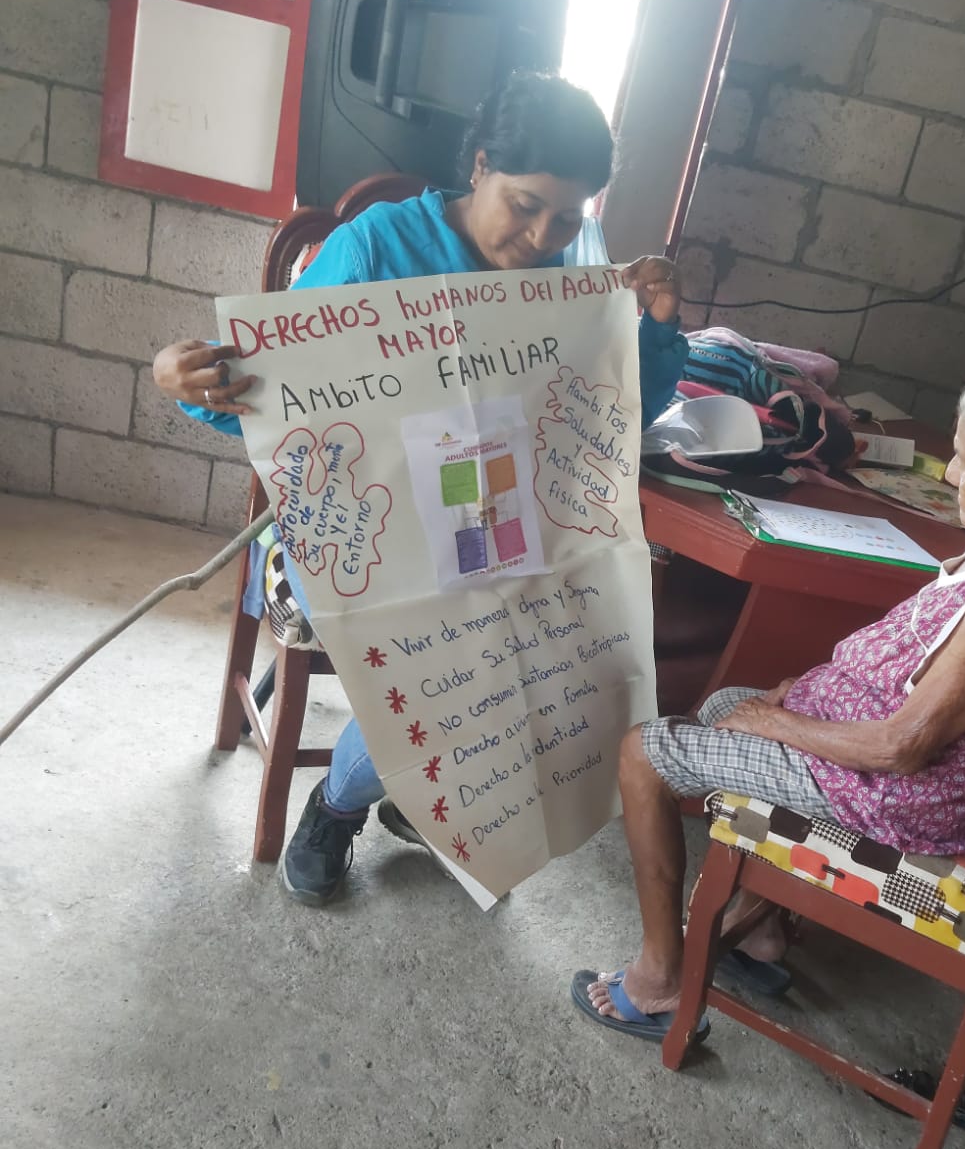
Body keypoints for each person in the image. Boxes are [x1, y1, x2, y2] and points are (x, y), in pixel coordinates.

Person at [153, 72, 687, 904]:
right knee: (469, 653)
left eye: (567, 218)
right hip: (360, 524)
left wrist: (654, 330)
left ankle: (411, 788)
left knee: (565, 641)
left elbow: (616, 414)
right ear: (480, 167)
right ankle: (339, 806)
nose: (541, 236)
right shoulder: (378, 249)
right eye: (525, 205)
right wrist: (185, 380)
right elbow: (280, 407)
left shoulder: (573, 271)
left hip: (491, 520)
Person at [573, 341, 965, 1040]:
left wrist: (777, 722)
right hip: (909, 767)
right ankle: (757, 932)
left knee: (647, 752)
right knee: (719, 708)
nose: (952, 473)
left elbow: (900, 747)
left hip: (900, 793)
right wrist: (795, 701)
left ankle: (658, 979)